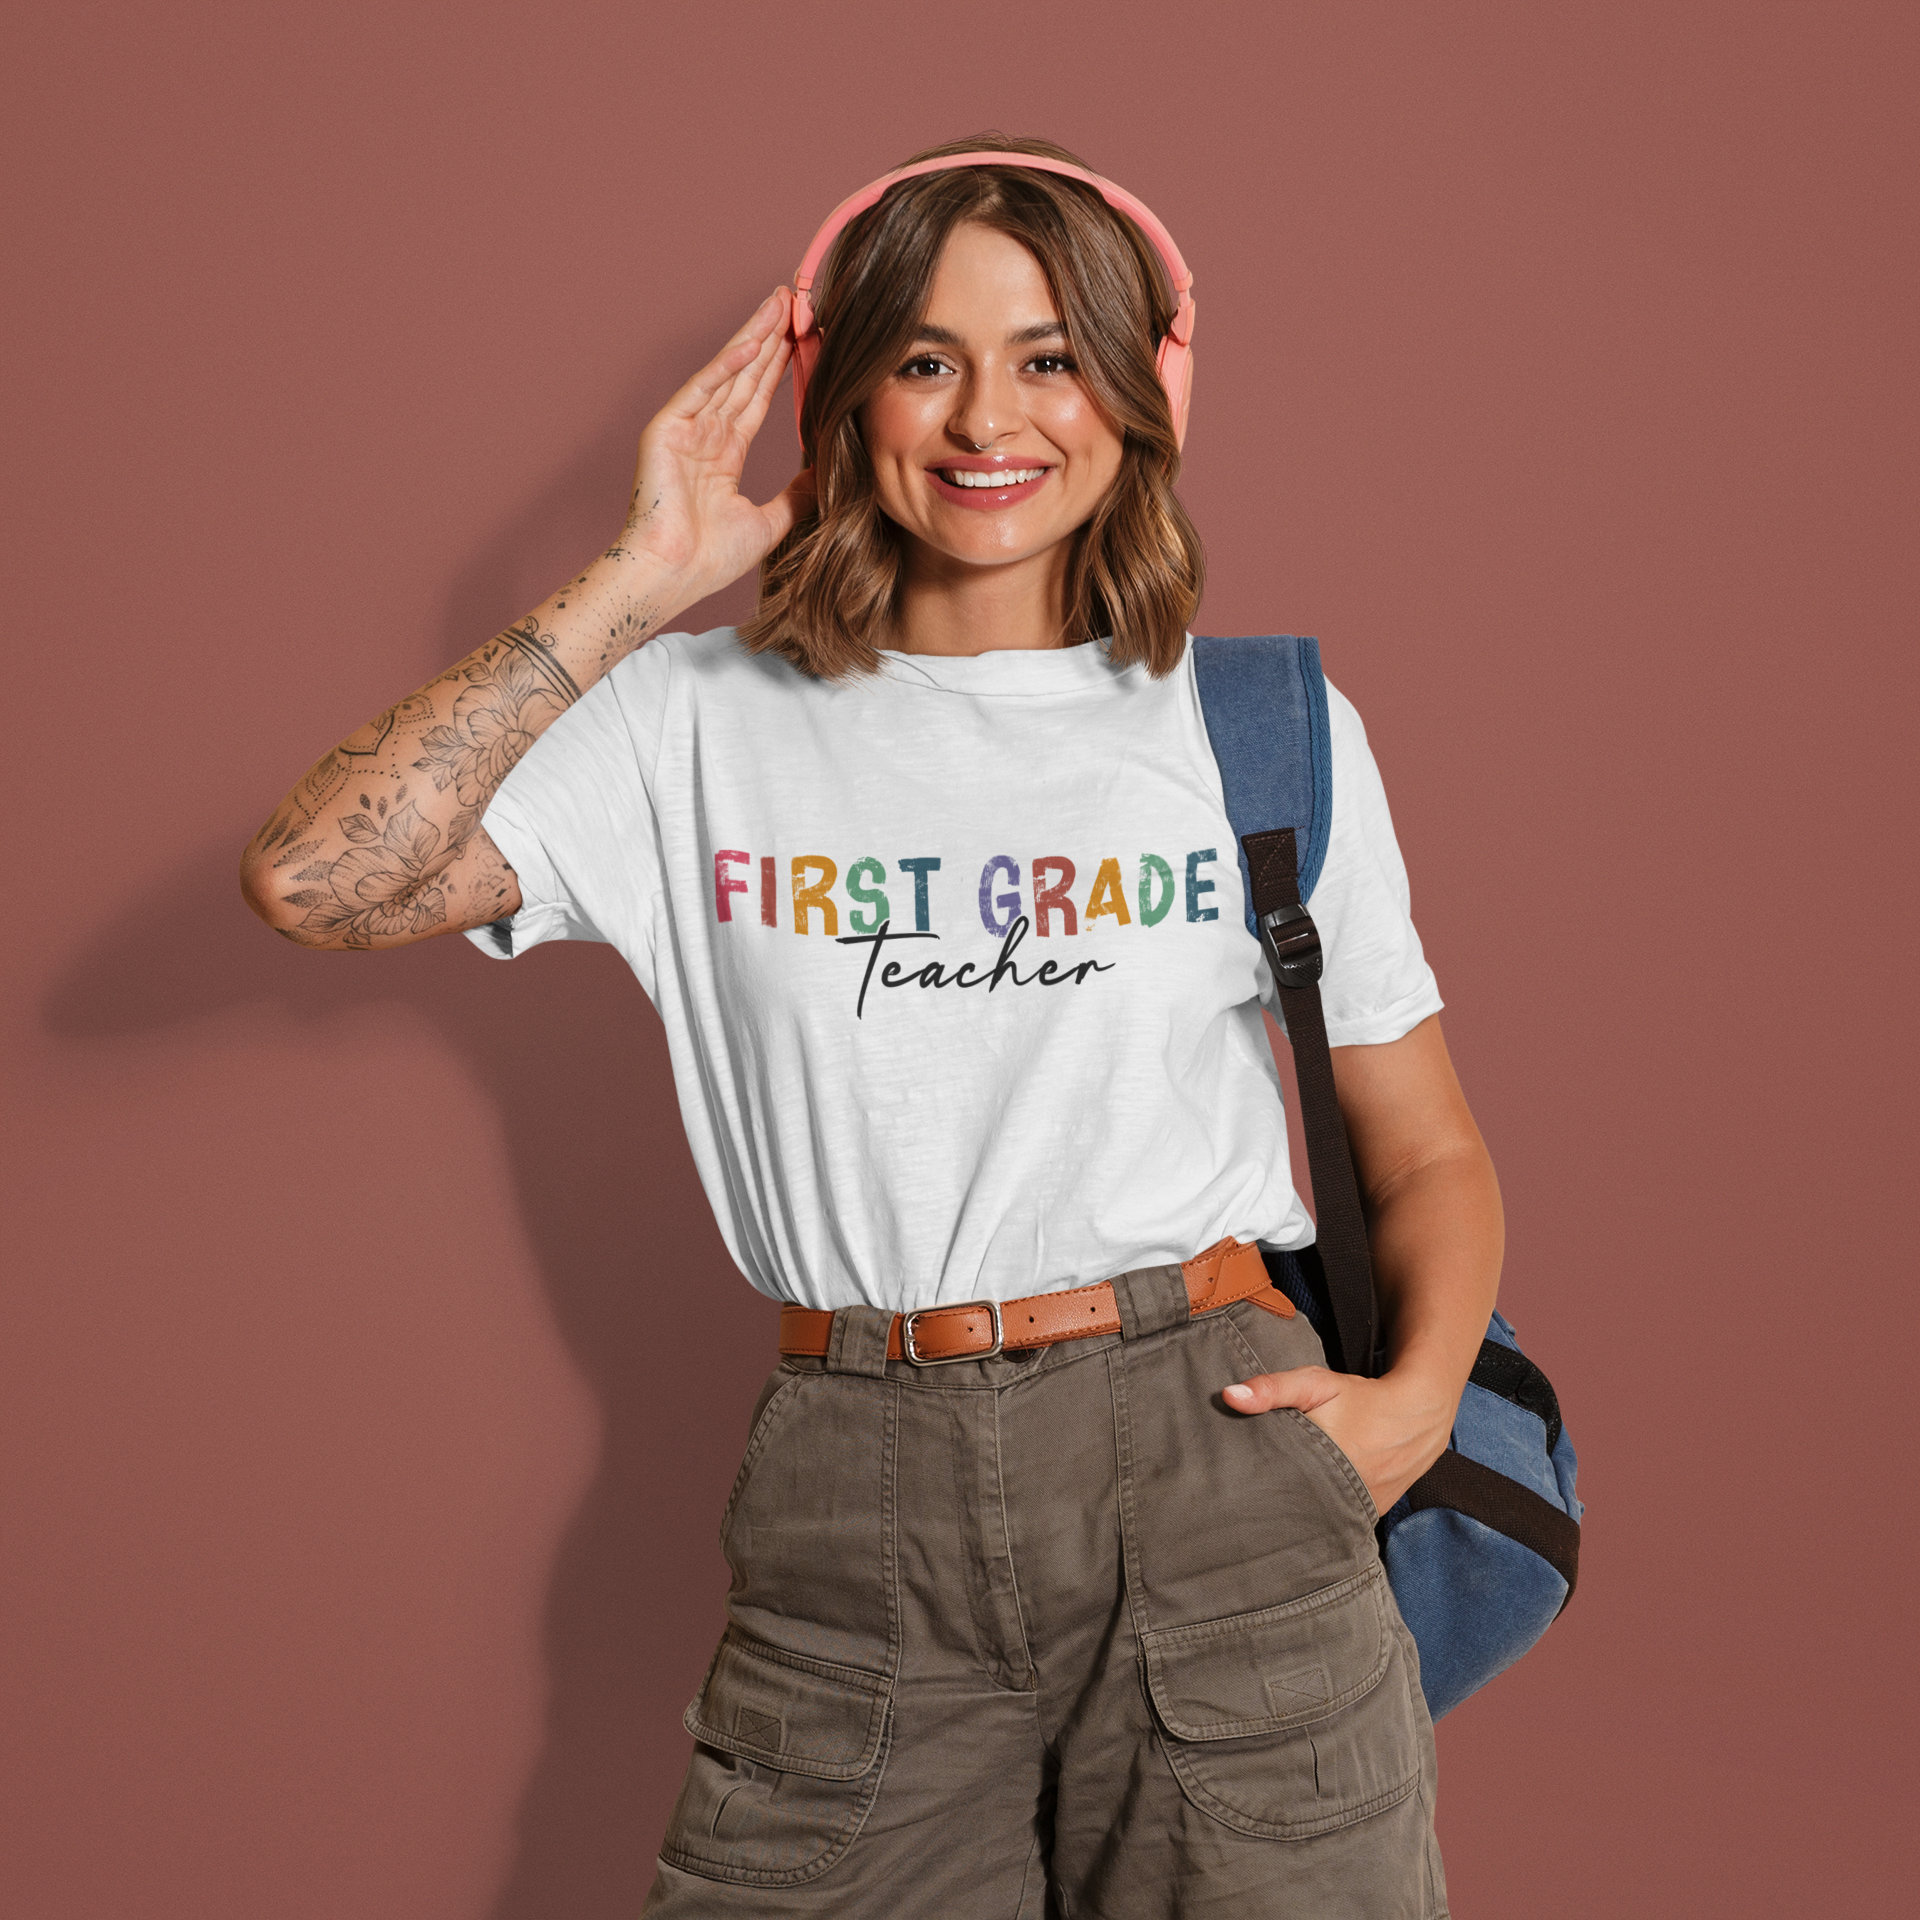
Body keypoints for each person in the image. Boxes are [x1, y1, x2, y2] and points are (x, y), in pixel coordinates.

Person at [241, 134, 1496, 1919]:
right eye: (927, 358)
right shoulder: (691, 722)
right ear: (844, 399)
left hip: (1214, 1440)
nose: (991, 417)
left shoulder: (1259, 724)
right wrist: (644, 572)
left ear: (1142, 393)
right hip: (858, 1478)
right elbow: (320, 882)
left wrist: (1412, 1407)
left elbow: (1428, 1146)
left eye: (1053, 356)